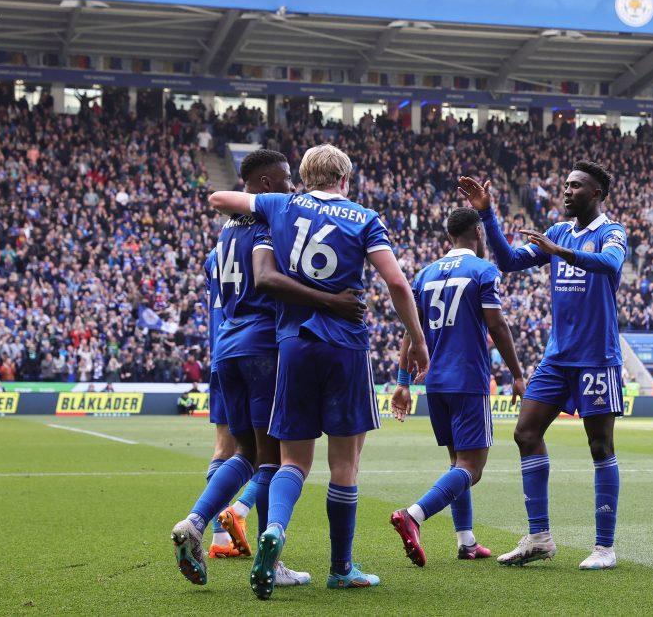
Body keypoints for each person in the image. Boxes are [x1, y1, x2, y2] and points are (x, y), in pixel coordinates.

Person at [210, 144, 428, 596]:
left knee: (292, 460)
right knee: (345, 461)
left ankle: (275, 530)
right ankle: (341, 567)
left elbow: (224, 199)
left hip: (291, 345)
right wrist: (418, 340)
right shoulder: (364, 217)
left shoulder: (282, 205)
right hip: (344, 345)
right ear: (345, 179)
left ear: (304, 176)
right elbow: (396, 283)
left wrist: (257, 202)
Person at [173, 149, 364, 589]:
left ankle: (199, 521)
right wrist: (332, 300)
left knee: (245, 454)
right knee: (275, 460)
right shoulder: (266, 225)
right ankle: (249, 541)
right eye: (282, 181)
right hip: (263, 345)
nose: (290, 188)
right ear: (262, 184)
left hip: (226, 346)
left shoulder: (223, 235)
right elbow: (269, 278)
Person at [459, 160, 626, 571]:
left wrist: (562, 254)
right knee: (525, 432)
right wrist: (486, 213)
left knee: (600, 446)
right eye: (566, 185)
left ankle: (605, 547)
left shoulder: (611, 232)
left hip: (596, 357)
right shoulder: (558, 230)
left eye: (576, 186)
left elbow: (610, 264)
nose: (567, 191)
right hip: (558, 356)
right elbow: (510, 260)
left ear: (597, 194)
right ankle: (539, 537)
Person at [388, 207, 526, 566]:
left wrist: (402, 382)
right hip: (467, 378)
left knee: (456, 462)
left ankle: (466, 541)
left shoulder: (425, 274)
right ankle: (414, 515)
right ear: (479, 232)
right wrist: (517, 373)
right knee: (472, 467)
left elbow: (411, 331)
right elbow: (496, 325)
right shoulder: (483, 270)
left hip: (434, 382)